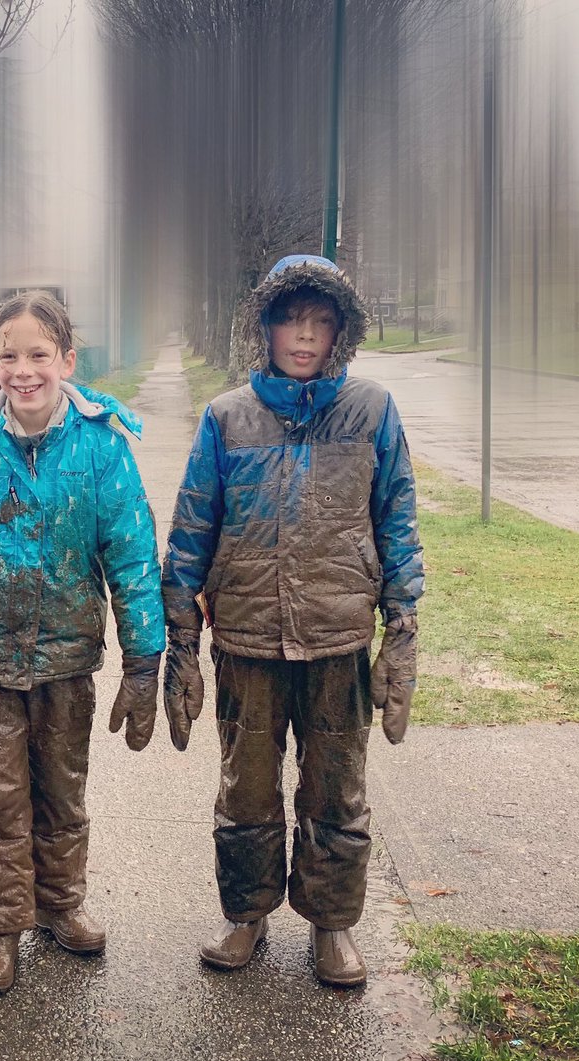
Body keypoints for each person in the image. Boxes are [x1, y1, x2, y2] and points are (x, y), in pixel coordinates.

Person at [162, 255, 424, 988]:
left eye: (319, 321)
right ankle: (246, 913)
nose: (304, 336)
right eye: (290, 319)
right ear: (266, 326)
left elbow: (396, 516)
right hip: (246, 636)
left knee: (336, 788)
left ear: (340, 331)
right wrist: (181, 634)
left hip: (338, 636)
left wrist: (402, 627)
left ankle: (332, 921)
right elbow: (192, 528)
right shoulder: (227, 417)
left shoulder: (371, 411)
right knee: (245, 789)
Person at [0, 290, 164, 995]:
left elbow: (133, 554)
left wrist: (144, 661)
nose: (23, 370)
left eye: (38, 355)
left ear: (66, 360)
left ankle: (60, 903)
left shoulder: (102, 446)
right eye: (8, 356)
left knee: (61, 791)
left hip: (66, 659)